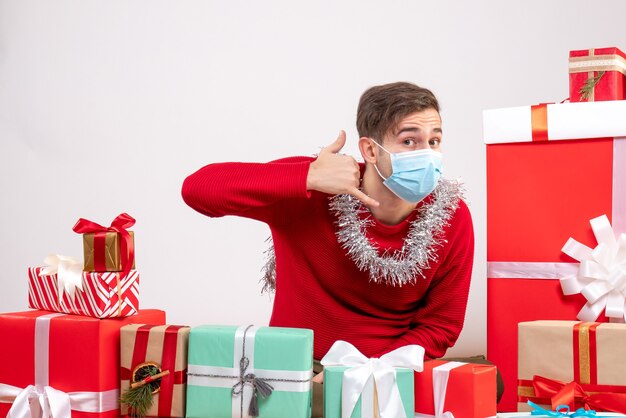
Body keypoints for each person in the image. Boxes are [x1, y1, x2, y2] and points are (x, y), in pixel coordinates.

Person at [182, 82, 489, 416]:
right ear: (370, 151)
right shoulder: (315, 188)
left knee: (485, 387)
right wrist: (307, 176)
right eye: (409, 141)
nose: (426, 154)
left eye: (434, 141)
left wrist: (371, 372)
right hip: (299, 370)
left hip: (391, 369)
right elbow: (198, 189)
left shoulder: (452, 217)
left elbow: (441, 324)